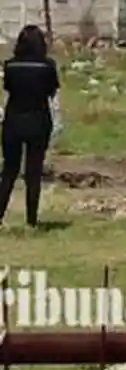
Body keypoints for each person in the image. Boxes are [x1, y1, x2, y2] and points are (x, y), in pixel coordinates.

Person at [0, 25, 60, 228]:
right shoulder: (47, 66)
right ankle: (32, 221)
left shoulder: (10, 66)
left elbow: (8, 88)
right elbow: (51, 92)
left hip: (13, 120)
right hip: (39, 120)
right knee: (33, 172)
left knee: (9, 171)